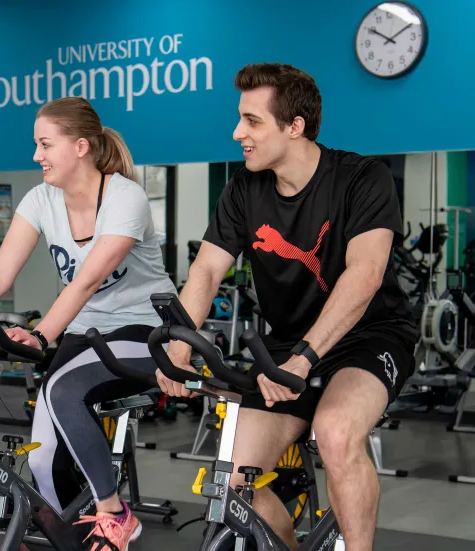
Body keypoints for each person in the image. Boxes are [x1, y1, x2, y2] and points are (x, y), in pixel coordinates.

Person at [157, 63, 418, 551]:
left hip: (369, 336)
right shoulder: (243, 189)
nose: (238, 133)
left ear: (294, 126)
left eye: (252, 121)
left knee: (336, 433)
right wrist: (178, 345)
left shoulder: (362, 178)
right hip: (285, 345)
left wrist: (304, 357)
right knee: (231, 479)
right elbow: (208, 271)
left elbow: (363, 276)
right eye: (240, 119)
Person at [0, 95, 175, 551]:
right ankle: (76, 537)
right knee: (45, 457)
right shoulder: (41, 199)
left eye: (45, 144)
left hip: (143, 330)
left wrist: (40, 333)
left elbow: (87, 281)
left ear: (81, 147)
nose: (36, 156)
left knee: (62, 391)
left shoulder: (125, 197)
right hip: (84, 331)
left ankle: (115, 514)